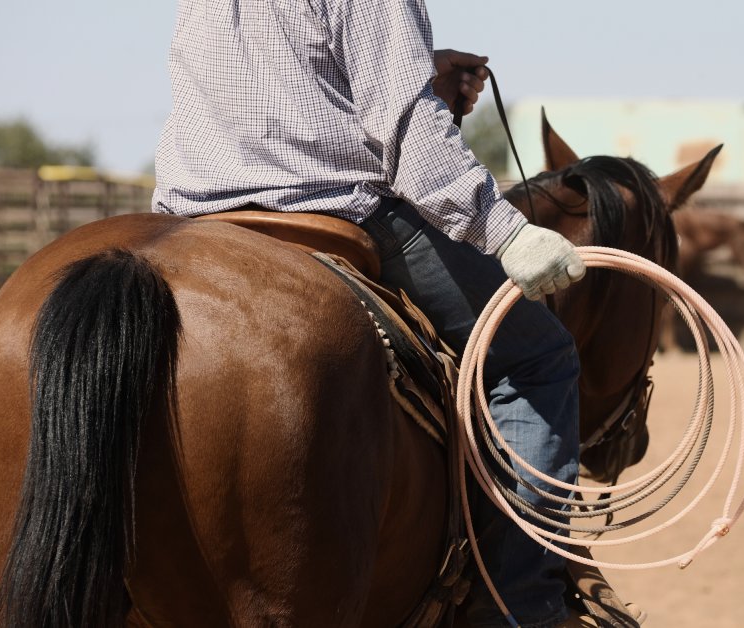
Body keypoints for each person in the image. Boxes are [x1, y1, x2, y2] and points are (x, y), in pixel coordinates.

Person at [152, 2, 593, 626]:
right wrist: (506, 232)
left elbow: (264, 81)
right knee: (538, 359)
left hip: (193, 215)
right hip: (333, 205)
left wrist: (417, 68)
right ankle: (518, 606)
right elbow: (411, 133)